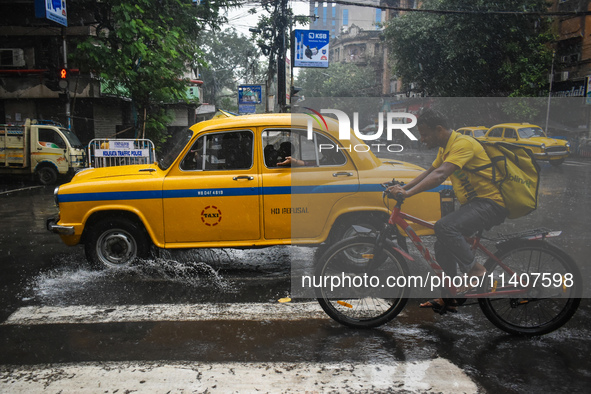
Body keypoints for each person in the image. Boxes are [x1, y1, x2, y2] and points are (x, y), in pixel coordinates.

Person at [387, 109, 508, 313]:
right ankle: (449, 298)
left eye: (425, 134)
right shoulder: (446, 147)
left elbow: (441, 175)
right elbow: (431, 171)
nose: (421, 139)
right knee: (443, 245)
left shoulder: (463, 144)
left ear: (439, 130)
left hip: (490, 204)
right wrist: (403, 188)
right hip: (474, 204)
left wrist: (408, 194)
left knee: (444, 227)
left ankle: (476, 270)